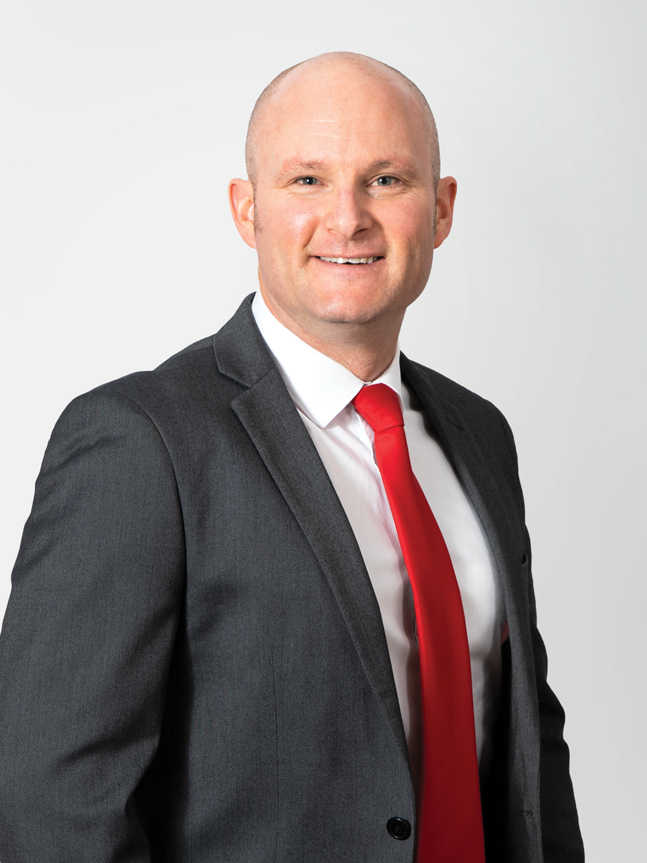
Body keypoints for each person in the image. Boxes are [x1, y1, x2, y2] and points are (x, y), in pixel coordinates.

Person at [0, 52, 584, 862]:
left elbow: (527, 743)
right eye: (307, 180)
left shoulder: (479, 434)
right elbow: (53, 803)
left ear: (441, 209)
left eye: (386, 179)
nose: (347, 218)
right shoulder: (139, 440)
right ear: (247, 211)